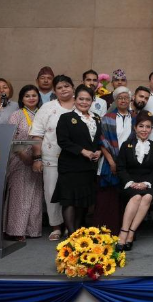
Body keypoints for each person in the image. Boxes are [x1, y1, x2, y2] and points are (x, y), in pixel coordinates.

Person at [30, 75, 76, 240]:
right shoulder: (47, 108)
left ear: (73, 87)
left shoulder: (82, 105)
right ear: (55, 91)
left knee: (73, 193)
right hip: (51, 157)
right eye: (59, 87)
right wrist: (37, 158)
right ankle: (56, 226)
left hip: (76, 160)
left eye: (67, 86)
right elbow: (37, 134)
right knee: (51, 192)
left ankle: (71, 226)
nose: (64, 89)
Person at [52, 85, 103, 234]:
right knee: (69, 201)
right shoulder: (66, 118)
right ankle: (71, 233)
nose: (84, 102)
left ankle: (79, 231)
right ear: (75, 99)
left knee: (82, 201)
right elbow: (63, 141)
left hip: (88, 167)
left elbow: (99, 140)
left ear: (92, 101)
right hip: (70, 166)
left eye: (88, 99)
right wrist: (82, 151)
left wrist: (99, 151)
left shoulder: (96, 118)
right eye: (81, 98)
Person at [114, 110, 153, 251]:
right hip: (129, 183)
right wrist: (131, 183)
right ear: (135, 127)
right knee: (135, 197)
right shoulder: (126, 145)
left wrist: (145, 183)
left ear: (151, 129)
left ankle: (131, 233)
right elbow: (120, 168)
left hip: (148, 183)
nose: (144, 130)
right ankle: (123, 233)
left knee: (146, 197)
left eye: (148, 127)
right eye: (141, 126)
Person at [3, 85, 43, 241]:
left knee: (35, 194)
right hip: (20, 158)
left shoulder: (42, 114)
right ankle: (16, 230)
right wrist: (22, 155)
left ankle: (33, 230)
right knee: (20, 195)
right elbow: (11, 137)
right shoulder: (17, 115)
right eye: (27, 96)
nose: (31, 98)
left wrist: (37, 156)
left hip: (39, 157)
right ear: (22, 99)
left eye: (34, 95)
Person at [96, 86, 135, 234]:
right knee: (108, 198)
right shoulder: (107, 118)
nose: (123, 100)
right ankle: (107, 231)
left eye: (126, 97)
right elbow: (103, 141)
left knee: (125, 197)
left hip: (128, 163)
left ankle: (124, 230)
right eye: (120, 98)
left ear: (130, 100)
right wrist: (112, 162)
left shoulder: (135, 118)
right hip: (109, 162)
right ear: (115, 100)